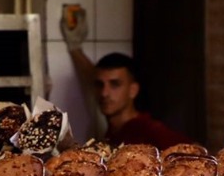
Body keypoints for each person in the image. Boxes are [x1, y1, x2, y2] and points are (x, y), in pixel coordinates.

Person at [62, 10, 196, 149]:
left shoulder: (147, 130)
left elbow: (196, 151)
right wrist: (75, 48)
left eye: (115, 84)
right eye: (100, 85)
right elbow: (92, 75)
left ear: (133, 90)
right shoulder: (116, 131)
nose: (104, 93)